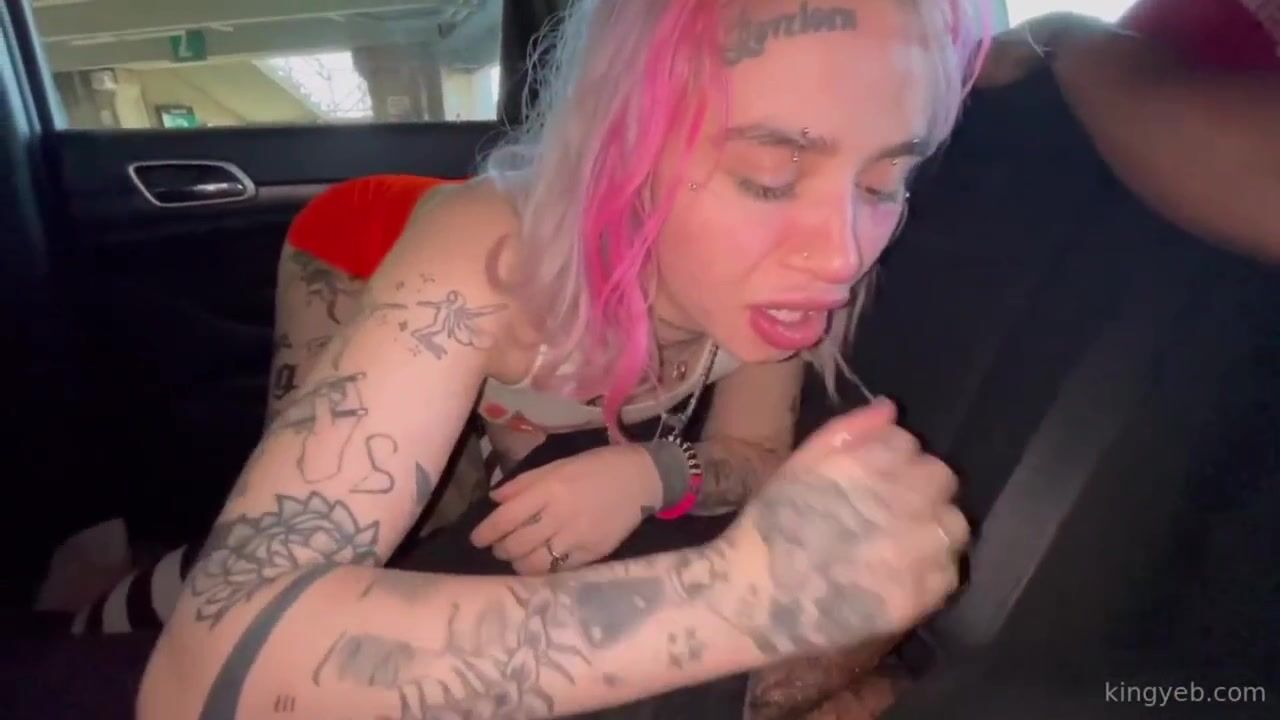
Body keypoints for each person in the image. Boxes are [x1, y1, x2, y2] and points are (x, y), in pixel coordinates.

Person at [135, 1, 988, 718]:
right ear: (627, 142)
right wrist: (742, 597)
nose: (843, 255)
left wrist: (652, 474)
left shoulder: (776, 280)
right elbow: (204, 675)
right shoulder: (489, 254)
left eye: (883, 183)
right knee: (366, 531)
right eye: (769, 177)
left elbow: (755, 450)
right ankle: (103, 588)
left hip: (542, 370)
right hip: (359, 249)